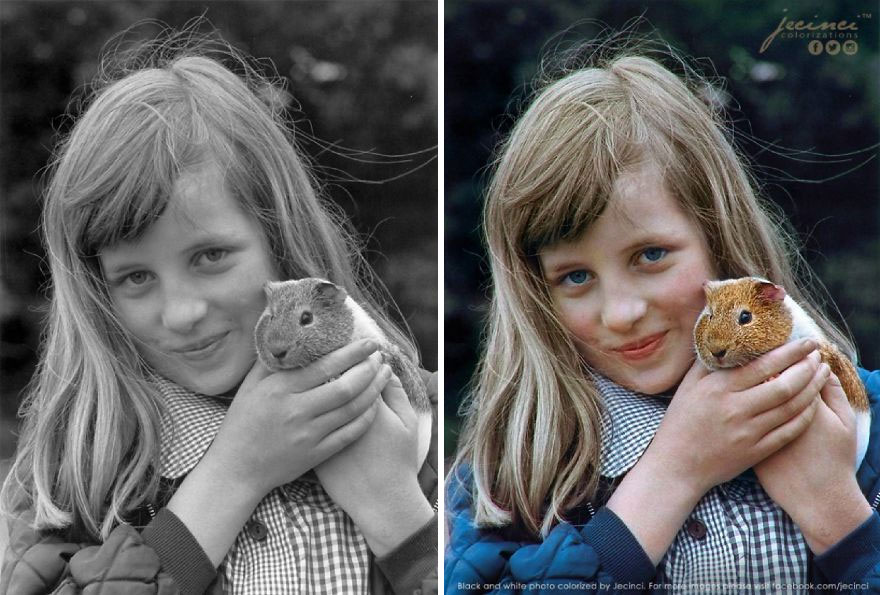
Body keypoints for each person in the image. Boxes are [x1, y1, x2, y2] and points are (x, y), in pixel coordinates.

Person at [0, 26, 437, 595]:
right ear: (96, 292)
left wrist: (397, 511)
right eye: (135, 277)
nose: (180, 313)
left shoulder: (418, 418)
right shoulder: (79, 469)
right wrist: (233, 475)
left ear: (279, 240)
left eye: (210, 256)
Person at [445, 45, 880, 594]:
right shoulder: (512, 469)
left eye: (650, 255)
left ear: (719, 241)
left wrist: (836, 514)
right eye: (575, 277)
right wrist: (672, 473)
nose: (621, 313)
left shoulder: (869, 423)